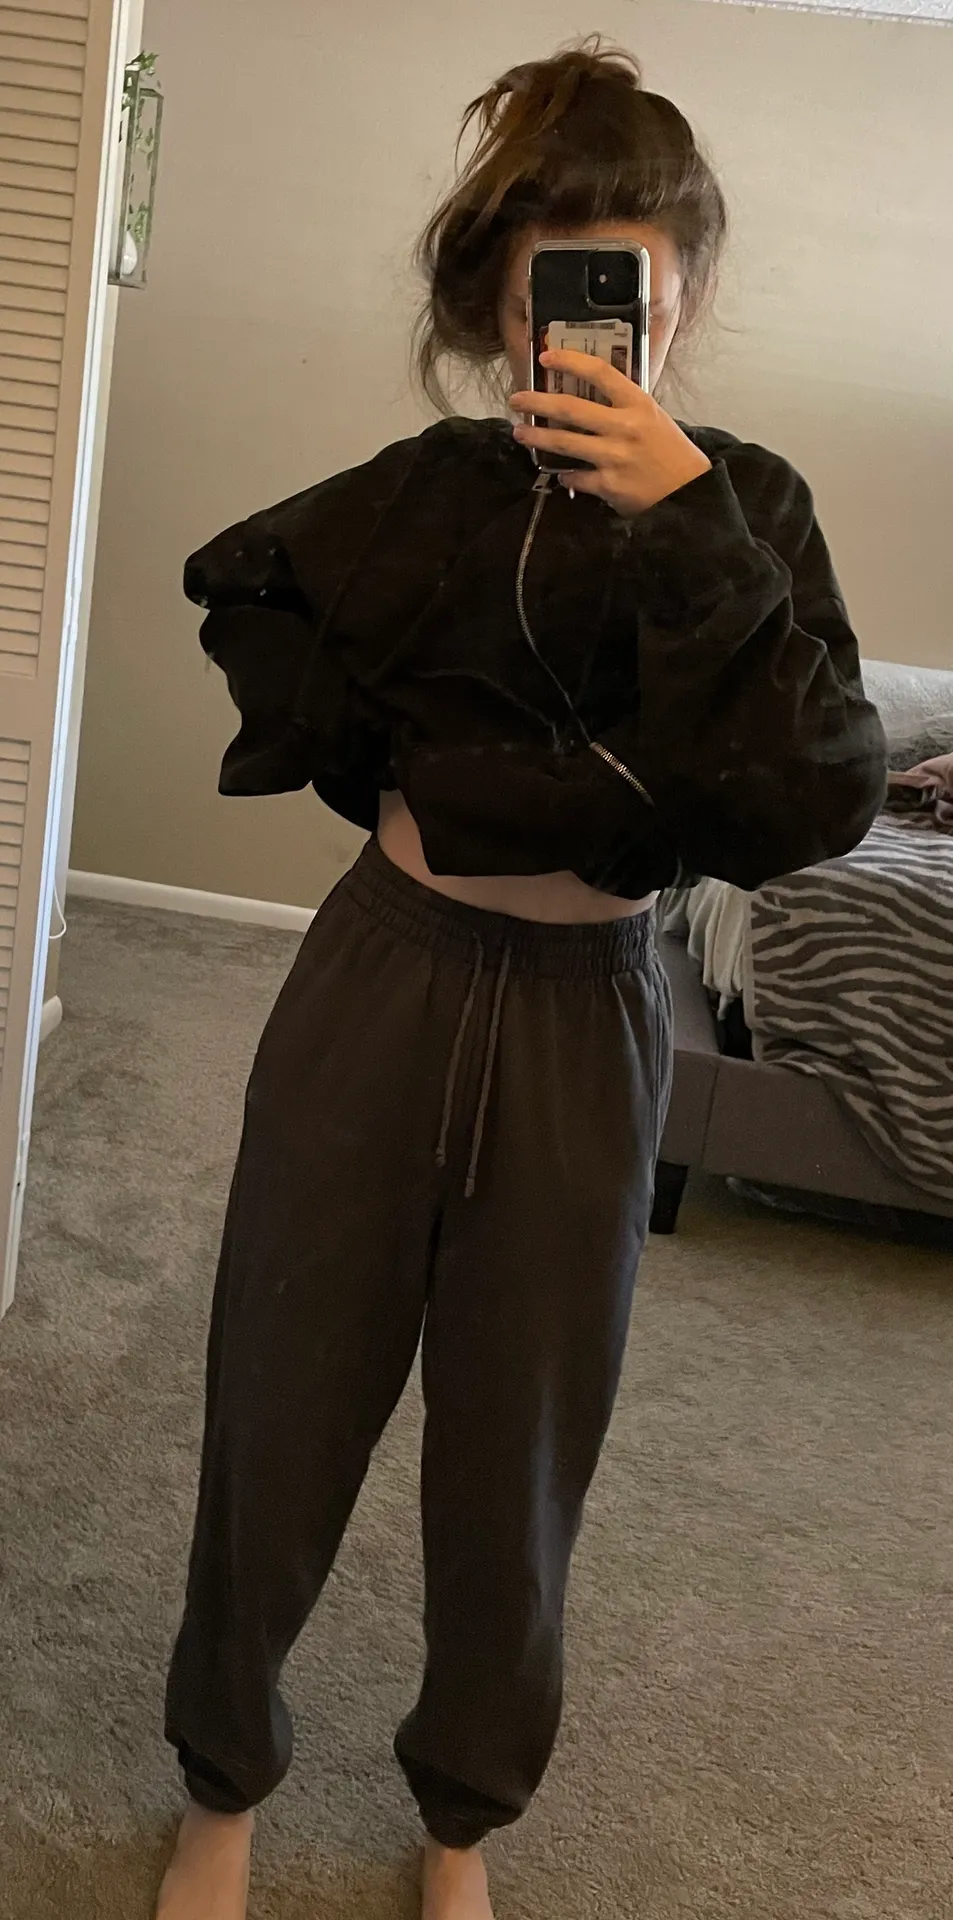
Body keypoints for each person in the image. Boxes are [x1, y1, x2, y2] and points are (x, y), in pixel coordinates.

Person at [155, 41, 886, 1920]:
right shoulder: (426, 491)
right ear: (495, 305)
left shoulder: (754, 508)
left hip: (589, 1014)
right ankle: (223, 1783)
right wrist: (389, 778)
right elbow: (250, 587)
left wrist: (686, 518)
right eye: (548, 280)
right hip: (382, 983)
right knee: (281, 1391)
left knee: (526, 1438)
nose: (585, 320)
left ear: (682, 291)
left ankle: (462, 1821)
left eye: (626, 278)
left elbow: (818, 789)